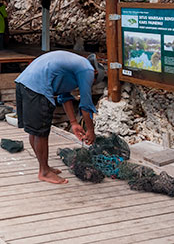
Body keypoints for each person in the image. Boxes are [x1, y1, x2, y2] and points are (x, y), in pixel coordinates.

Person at [14, 51, 106, 184]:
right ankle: (44, 171)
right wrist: (91, 131)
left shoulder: (74, 65)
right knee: (41, 132)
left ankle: (44, 166)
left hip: (24, 82)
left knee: (35, 131)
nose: (89, 84)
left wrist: (74, 123)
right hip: (38, 87)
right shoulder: (87, 70)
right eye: (92, 83)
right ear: (95, 74)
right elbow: (86, 106)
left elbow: (64, 96)